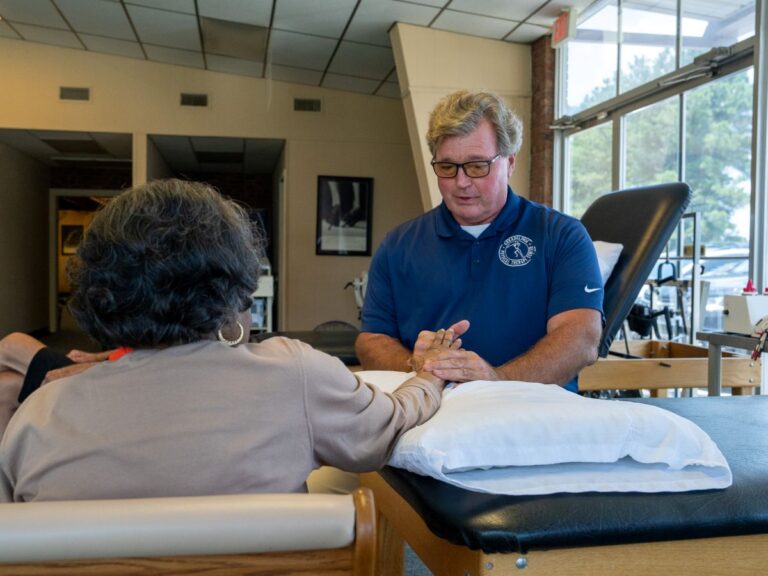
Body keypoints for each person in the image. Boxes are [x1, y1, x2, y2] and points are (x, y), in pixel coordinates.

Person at [0, 179, 459, 502]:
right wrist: (430, 372)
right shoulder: (292, 373)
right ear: (234, 279)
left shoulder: (36, 416)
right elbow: (389, 425)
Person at [355, 90, 604, 392]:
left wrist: (495, 380)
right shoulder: (398, 246)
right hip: (434, 412)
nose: (461, 182)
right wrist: (417, 366)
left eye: (477, 166)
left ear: (509, 163)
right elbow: (372, 340)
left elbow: (581, 339)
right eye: (447, 167)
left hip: (534, 414)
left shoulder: (561, 235)